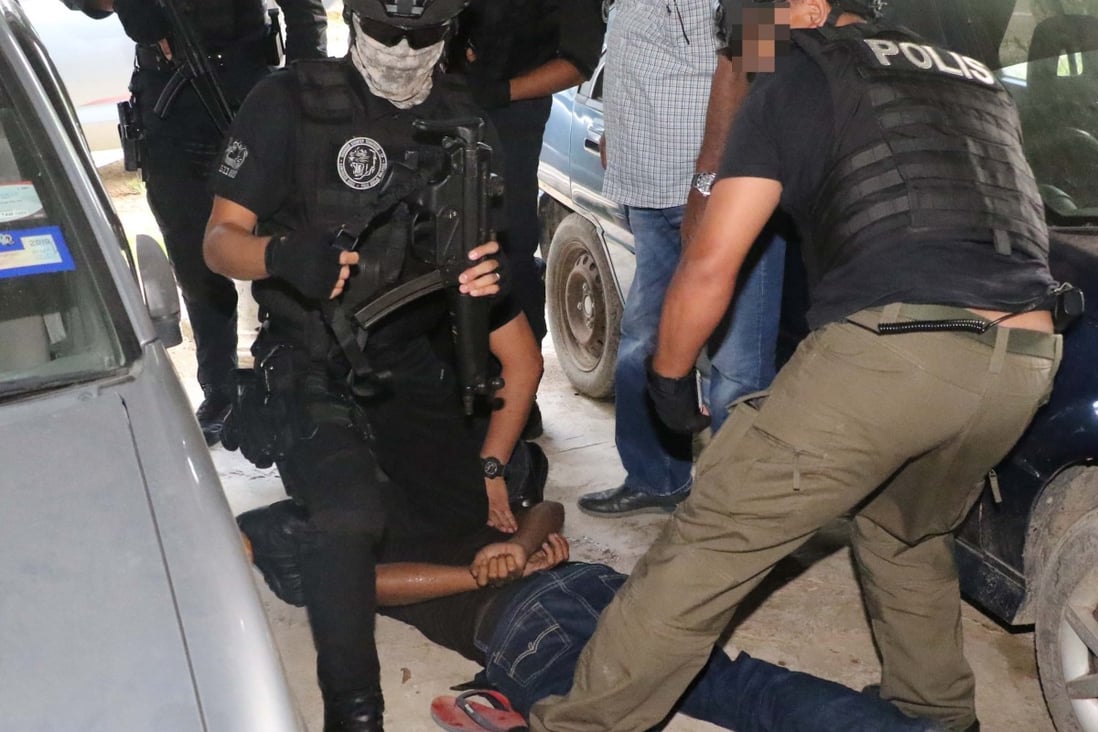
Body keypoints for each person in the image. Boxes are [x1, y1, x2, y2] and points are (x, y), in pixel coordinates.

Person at [529, 1, 1065, 730]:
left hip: (899, 353)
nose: (746, 51)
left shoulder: (799, 81)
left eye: (751, 28)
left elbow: (712, 261)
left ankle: (577, 725)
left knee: (711, 540)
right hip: (1027, 359)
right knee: (902, 529)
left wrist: (669, 377)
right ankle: (936, 714)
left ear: (812, 8)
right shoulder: (972, 77)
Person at [201, 0, 517, 728]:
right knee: (349, 515)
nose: (404, 51)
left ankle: (287, 533)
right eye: (387, 32)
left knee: (466, 526)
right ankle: (353, 704)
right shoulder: (288, 100)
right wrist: (280, 256)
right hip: (306, 352)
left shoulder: (464, 117)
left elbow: (485, 254)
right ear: (353, 22)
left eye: (424, 35)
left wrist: (484, 276)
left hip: (407, 354)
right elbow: (219, 241)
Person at [238, 499, 945, 731]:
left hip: (529, 617)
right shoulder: (386, 509)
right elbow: (368, 583)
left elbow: (544, 506)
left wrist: (518, 547)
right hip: (590, 588)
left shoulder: (379, 504)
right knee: (738, 685)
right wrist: (503, 555)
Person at [60, 0, 328, 445]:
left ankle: (293, 375)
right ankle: (221, 388)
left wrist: (305, 89)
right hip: (169, 102)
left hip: (251, 89)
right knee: (191, 251)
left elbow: (306, 10)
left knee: (281, 242)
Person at [576, 0, 788, 517]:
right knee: (643, 345)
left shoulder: (760, 6)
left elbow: (753, 63)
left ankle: (734, 510)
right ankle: (656, 477)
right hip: (650, 187)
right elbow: (641, 55)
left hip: (727, 193)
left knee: (738, 367)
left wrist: (708, 181)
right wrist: (617, 132)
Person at [456, 0, 607, 438]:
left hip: (510, 120)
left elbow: (578, 61)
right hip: (436, 114)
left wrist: (501, 92)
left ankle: (516, 401)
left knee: (509, 255)